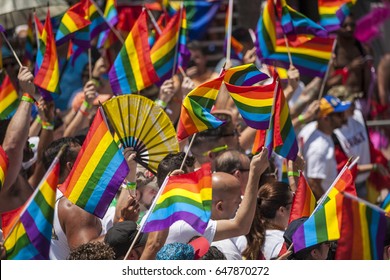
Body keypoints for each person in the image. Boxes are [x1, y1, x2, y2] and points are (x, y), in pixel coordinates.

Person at [141, 147, 269, 260]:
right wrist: (254, 174)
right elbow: (240, 226)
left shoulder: (153, 211)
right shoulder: (183, 223)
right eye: (194, 176)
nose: (199, 180)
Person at [298, 94, 351, 199]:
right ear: (326, 118)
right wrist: (328, 204)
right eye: (339, 115)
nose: (343, 118)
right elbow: (314, 183)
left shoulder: (311, 127)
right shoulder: (319, 147)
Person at [242, 181, 294, 260]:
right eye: (293, 202)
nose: (296, 205)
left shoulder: (251, 235)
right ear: (282, 210)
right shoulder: (283, 243)